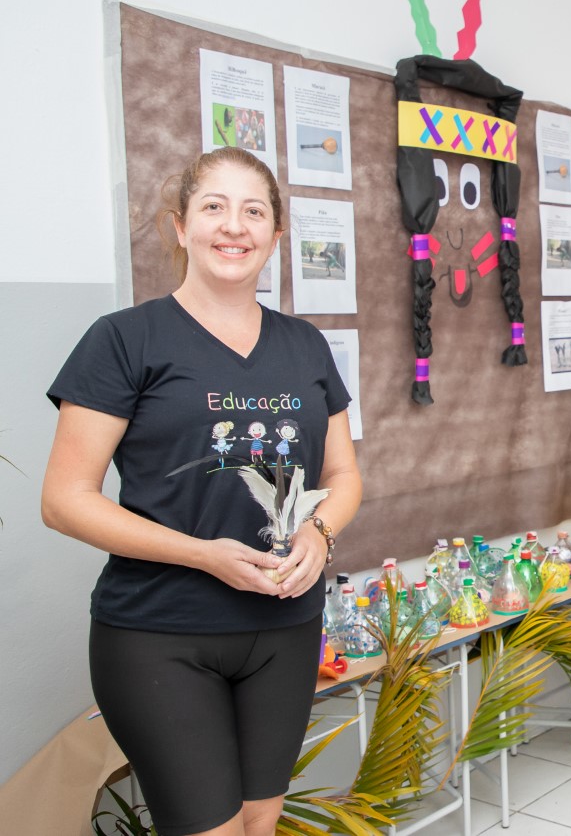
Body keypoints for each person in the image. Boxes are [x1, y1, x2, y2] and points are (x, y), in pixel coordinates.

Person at [42, 147, 363, 836]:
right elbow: (65, 497)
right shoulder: (125, 340)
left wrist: (318, 534)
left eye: (254, 211)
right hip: (160, 633)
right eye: (213, 206)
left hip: (285, 628)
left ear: (276, 236)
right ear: (181, 226)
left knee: (258, 824)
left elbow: (344, 476)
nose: (233, 226)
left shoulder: (306, 346)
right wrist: (202, 553)